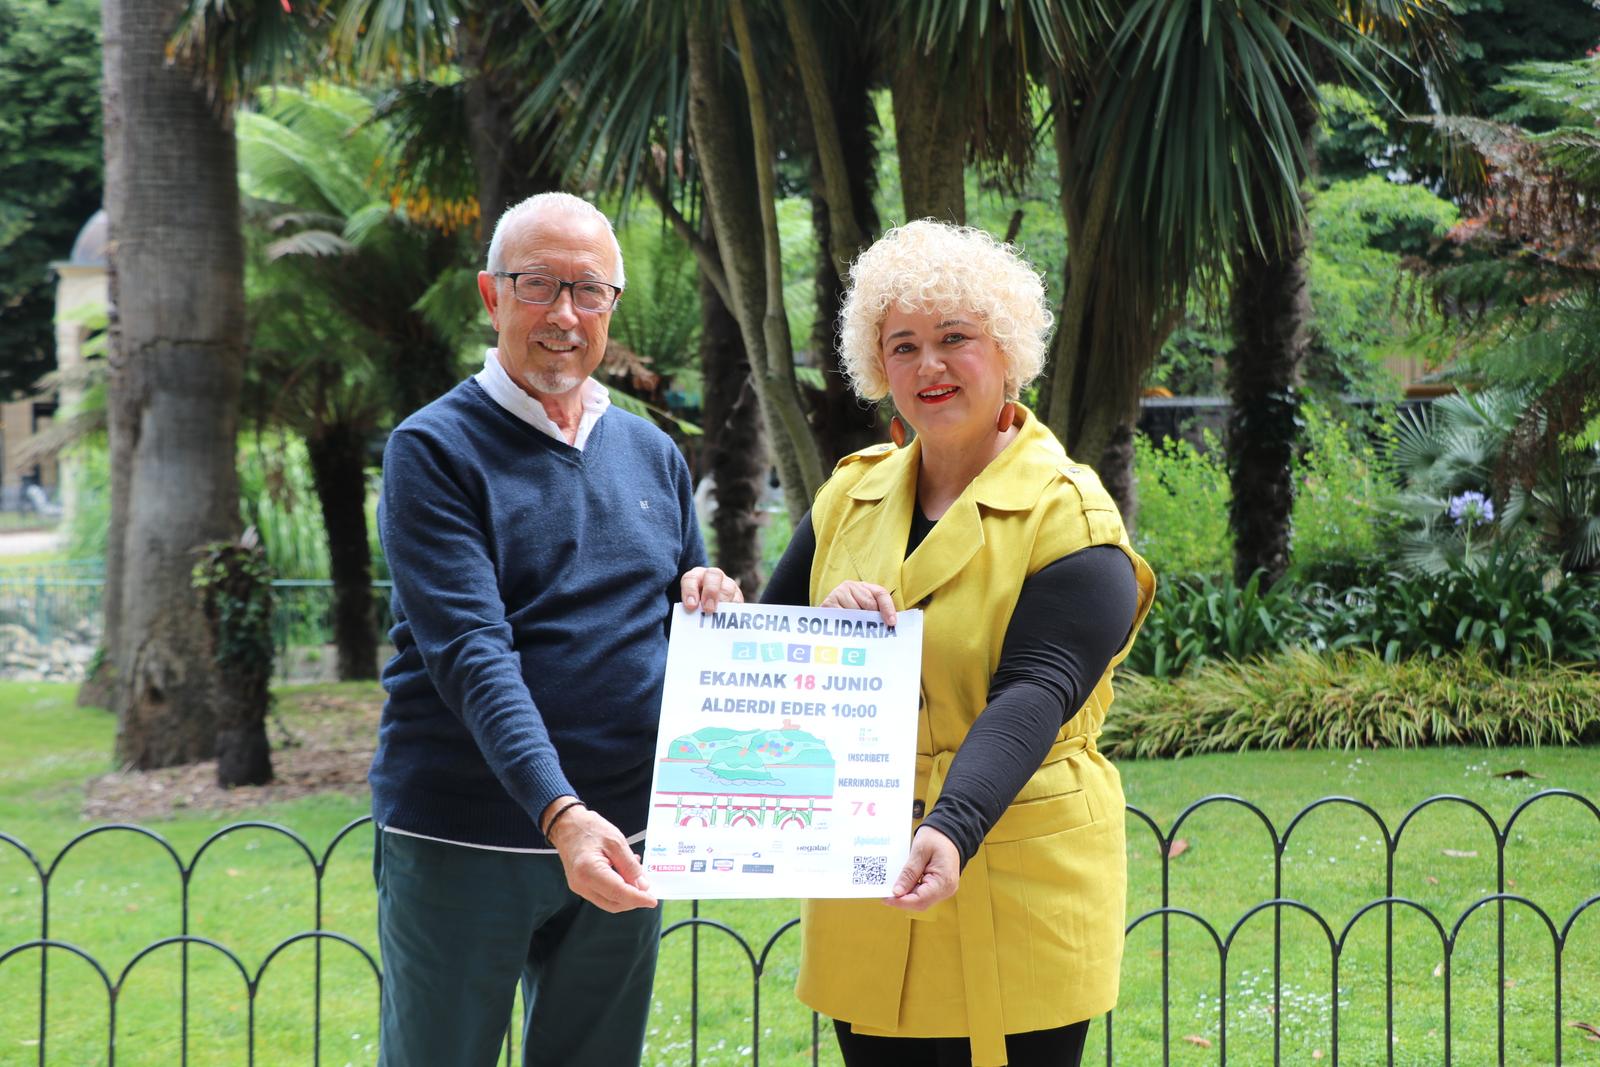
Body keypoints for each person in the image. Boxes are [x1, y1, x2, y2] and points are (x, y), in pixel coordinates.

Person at [759, 220, 1155, 1067]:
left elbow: (1037, 691)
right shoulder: (846, 499)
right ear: (878, 367)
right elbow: (769, 664)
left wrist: (954, 822)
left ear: (1007, 350)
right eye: (902, 346)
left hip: (1016, 888)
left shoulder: (1073, 516)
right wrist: (789, 625)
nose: (928, 365)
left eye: (954, 338)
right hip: (867, 884)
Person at [369, 191, 741, 1067]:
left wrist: (710, 595)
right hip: (465, 832)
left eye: (589, 290)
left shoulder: (653, 453)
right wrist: (561, 813)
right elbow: (471, 652)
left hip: (627, 835)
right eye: (538, 285)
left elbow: (676, 620)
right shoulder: (432, 449)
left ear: (612, 305)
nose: (564, 315)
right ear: (491, 295)